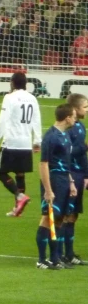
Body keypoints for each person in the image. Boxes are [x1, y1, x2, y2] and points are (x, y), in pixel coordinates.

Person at [0, 72, 42, 217]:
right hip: (25, 143)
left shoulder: (9, 97)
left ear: (12, 83)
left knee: (1, 172)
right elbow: (36, 120)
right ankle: (17, 209)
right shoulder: (32, 98)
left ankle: (20, 197)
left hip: (11, 142)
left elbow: (3, 119)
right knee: (20, 174)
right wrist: (37, 141)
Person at [35, 104, 78, 270]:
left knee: (59, 218)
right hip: (53, 181)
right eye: (73, 116)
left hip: (64, 181)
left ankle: (54, 258)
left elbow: (65, 163)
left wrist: (71, 182)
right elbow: (44, 164)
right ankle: (41, 260)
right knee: (48, 218)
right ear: (67, 117)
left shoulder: (65, 135)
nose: (75, 119)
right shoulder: (50, 137)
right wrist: (47, 189)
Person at [61, 94, 87, 266]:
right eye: (85, 107)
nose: (87, 110)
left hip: (79, 175)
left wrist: (86, 175)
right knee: (66, 215)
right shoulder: (69, 129)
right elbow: (68, 152)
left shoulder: (81, 126)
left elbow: (83, 154)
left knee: (74, 215)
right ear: (76, 109)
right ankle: (61, 253)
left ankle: (70, 254)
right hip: (69, 175)